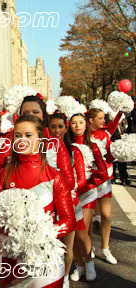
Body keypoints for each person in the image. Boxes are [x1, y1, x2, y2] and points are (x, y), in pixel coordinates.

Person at [0, 115, 76, 288]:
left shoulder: (54, 175)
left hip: (44, 258)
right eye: (17, 135)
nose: (22, 140)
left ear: (40, 139)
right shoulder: (4, 175)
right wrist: (14, 233)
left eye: (28, 135)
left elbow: (69, 220)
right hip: (13, 259)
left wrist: (41, 237)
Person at [68, 113, 109, 282]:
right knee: (74, 234)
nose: (77, 126)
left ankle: (89, 262)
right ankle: (80, 265)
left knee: (81, 231)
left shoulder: (93, 146)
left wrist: (87, 172)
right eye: (73, 123)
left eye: (80, 122)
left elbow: (104, 173)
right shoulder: (66, 146)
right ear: (69, 126)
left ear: (86, 125)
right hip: (70, 192)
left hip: (88, 192)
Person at [49, 113, 84, 287]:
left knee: (67, 246)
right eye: (53, 127)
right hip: (49, 204)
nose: (57, 130)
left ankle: (64, 278)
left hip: (69, 201)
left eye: (60, 126)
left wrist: (66, 188)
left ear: (66, 127)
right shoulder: (44, 148)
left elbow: (81, 178)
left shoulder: (75, 150)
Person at [87, 108, 122, 264]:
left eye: (104, 118)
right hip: (88, 181)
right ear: (91, 120)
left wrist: (121, 106)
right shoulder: (82, 135)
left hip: (105, 180)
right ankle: (89, 247)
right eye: (100, 118)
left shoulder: (107, 132)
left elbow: (117, 118)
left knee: (106, 216)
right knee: (89, 219)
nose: (104, 121)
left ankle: (105, 248)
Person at [20, 96, 75, 191]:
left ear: (43, 115)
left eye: (35, 112)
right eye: (25, 113)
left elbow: (69, 181)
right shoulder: (10, 144)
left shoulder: (55, 144)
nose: (30, 116)